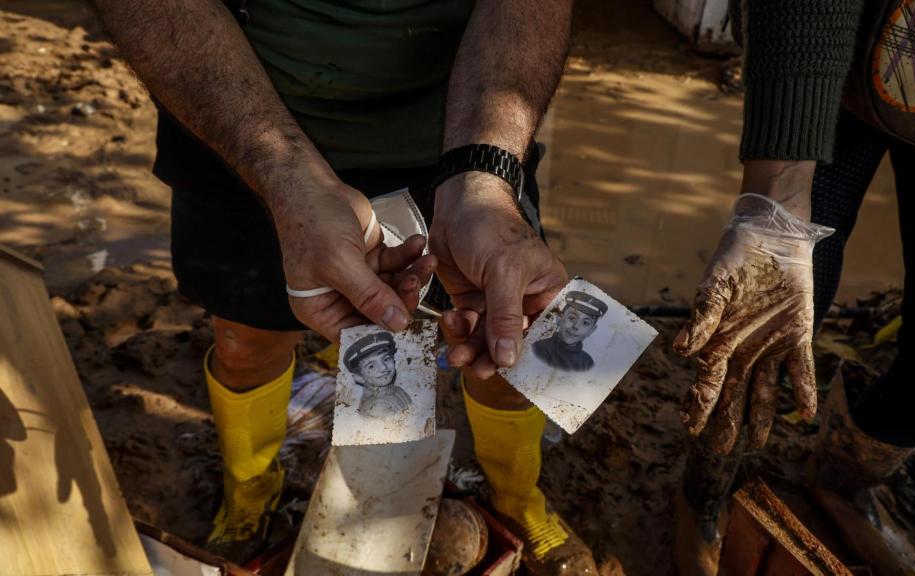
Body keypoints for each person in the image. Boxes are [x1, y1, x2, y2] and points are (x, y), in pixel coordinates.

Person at [94, 1, 598, 572]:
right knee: (246, 340)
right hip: (236, 117)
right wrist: (282, 175)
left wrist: (484, 175)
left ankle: (516, 497)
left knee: (513, 335)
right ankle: (250, 493)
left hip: (465, 123)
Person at [673, 1, 915, 574]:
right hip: (835, 41)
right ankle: (703, 489)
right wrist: (775, 209)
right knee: (756, 319)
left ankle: (842, 480)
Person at [532, 291, 608, 372]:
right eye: (572, 318)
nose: (575, 326)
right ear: (559, 319)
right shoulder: (538, 349)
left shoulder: (587, 363)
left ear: (591, 330)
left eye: (585, 323)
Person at [344, 331, 410, 419]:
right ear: (359, 378)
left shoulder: (397, 390)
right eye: (371, 366)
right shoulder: (377, 407)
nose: (383, 367)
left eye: (386, 359)